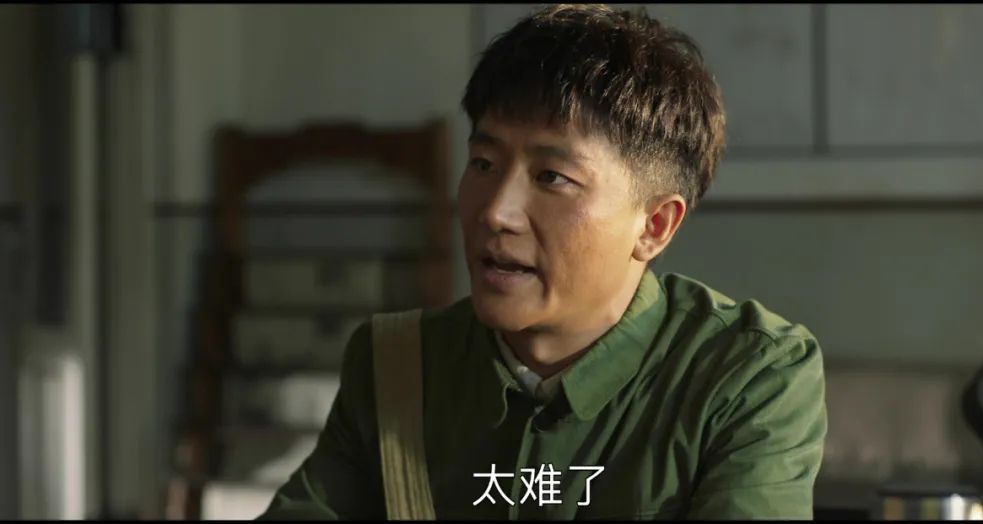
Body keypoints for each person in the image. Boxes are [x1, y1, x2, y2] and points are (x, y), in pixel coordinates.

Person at [259, 4, 826, 520]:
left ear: (653, 226)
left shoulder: (746, 377)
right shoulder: (398, 367)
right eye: (483, 163)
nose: (496, 212)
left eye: (552, 177)